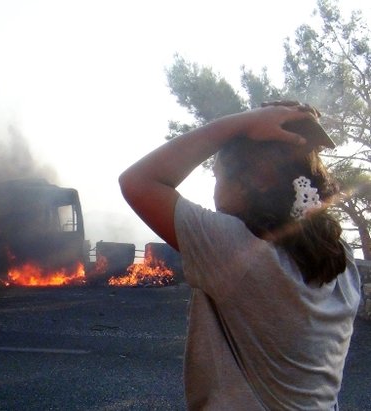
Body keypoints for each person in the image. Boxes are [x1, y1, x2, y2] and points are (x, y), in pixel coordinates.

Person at [119, 101, 361, 410]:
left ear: (259, 181)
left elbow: (137, 181)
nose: (214, 193)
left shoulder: (239, 252)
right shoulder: (341, 257)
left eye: (218, 177)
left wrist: (243, 122)